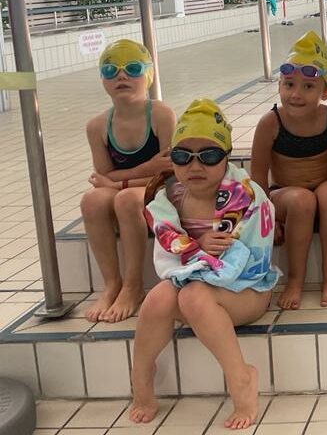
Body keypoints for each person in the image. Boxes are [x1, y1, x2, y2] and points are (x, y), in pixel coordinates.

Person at [129, 99, 279, 430]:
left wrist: (207, 254)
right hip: (195, 287)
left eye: (208, 156)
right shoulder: (171, 199)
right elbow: (172, 250)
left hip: (246, 292)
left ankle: (241, 377)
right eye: (183, 157)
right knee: (157, 298)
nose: (195, 166)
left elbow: (252, 262)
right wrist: (199, 248)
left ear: (226, 157)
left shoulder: (247, 197)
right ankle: (142, 375)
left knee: (193, 296)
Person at [249, 31, 327, 310]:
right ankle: (295, 281)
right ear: (279, 86)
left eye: (308, 87)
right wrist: (268, 221)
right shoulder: (270, 123)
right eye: (289, 84)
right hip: (284, 197)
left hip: (324, 189)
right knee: (301, 199)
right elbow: (257, 177)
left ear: (326, 92)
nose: (295, 94)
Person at [81, 40, 175, 323]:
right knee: (92, 200)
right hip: (132, 187)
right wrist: (145, 167)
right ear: (103, 81)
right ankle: (112, 283)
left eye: (132, 68)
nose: (121, 76)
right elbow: (102, 179)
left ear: (148, 75)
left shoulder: (160, 114)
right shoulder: (97, 126)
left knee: (126, 198)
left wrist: (118, 183)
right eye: (111, 71)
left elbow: (169, 172)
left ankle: (133, 286)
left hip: (159, 190)